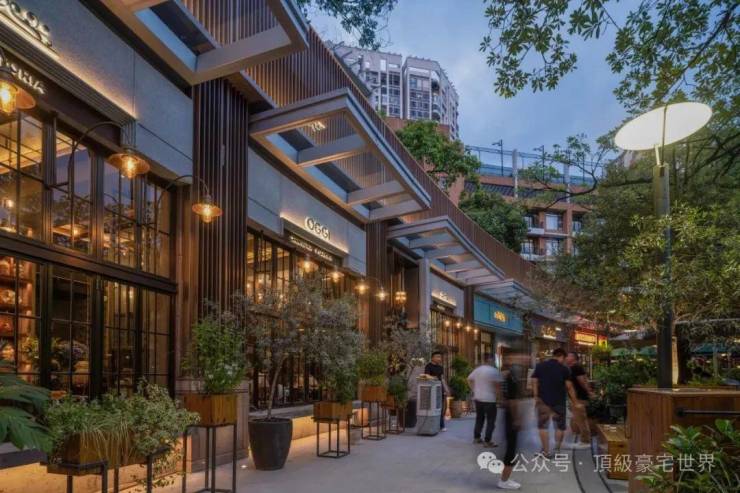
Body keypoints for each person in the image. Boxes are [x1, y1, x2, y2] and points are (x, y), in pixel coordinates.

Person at [531, 347, 583, 456]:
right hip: (559, 402)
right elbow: (569, 387)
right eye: (564, 358)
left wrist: (536, 397)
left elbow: (534, 381)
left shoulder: (540, 366)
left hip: (543, 401)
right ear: (562, 357)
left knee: (543, 427)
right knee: (559, 426)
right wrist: (575, 402)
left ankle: (546, 452)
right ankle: (557, 450)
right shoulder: (564, 369)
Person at [495, 351, 528, 490]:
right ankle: (504, 480)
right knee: (511, 449)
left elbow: (502, 394)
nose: (524, 359)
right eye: (520, 357)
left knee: (511, 447)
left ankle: (506, 477)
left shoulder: (507, 375)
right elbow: (512, 401)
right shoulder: (511, 376)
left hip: (509, 415)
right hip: (511, 416)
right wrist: (517, 419)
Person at [467, 354, 503, 446]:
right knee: (491, 420)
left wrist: (474, 389)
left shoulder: (478, 370)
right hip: (490, 399)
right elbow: (497, 386)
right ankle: (487, 441)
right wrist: (499, 398)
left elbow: (469, 379)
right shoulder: (494, 371)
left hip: (478, 398)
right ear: (491, 360)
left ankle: (477, 438)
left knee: (479, 419)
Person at [565, 351, 594, 446]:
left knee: (581, 419)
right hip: (576, 398)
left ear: (573, 358)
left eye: (568, 356)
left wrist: (589, 392)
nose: (566, 357)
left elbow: (583, 381)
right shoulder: (573, 368)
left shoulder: (576, 367)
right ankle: (582, 438)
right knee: (577, 418)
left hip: (579, 398)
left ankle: (585, 441)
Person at [424, 351, 450, 431]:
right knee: (432, 408)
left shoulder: (440, 367)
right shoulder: (428, 366)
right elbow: (426, 376)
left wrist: (446, 388)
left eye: (440, 357)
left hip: (439, 390)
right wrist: (434, 378)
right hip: (431, 390)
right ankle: (432, 425)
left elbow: (442, 378)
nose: (439, 358)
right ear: (432, 358)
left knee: (440, 408)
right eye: (437, 357)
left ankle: (441, 425)